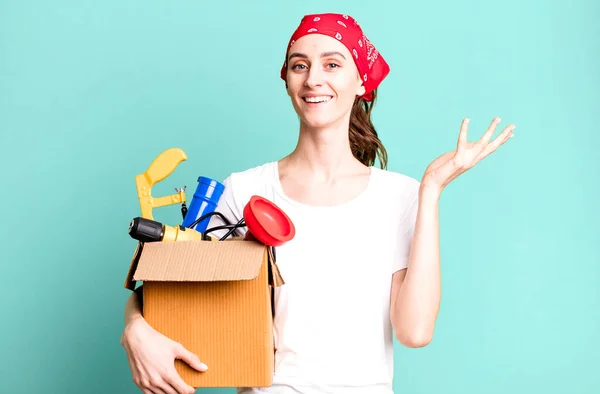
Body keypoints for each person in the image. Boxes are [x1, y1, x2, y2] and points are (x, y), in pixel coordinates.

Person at [120, 12, 515, 394]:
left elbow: (414, 332)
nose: (313, 80)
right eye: (299, 65)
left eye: (332, 64)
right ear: (287, 79)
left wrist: (430, 191)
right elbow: (176, 287)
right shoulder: (244, 191)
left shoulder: (400, 196)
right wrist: (134, 329)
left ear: (361, 80)